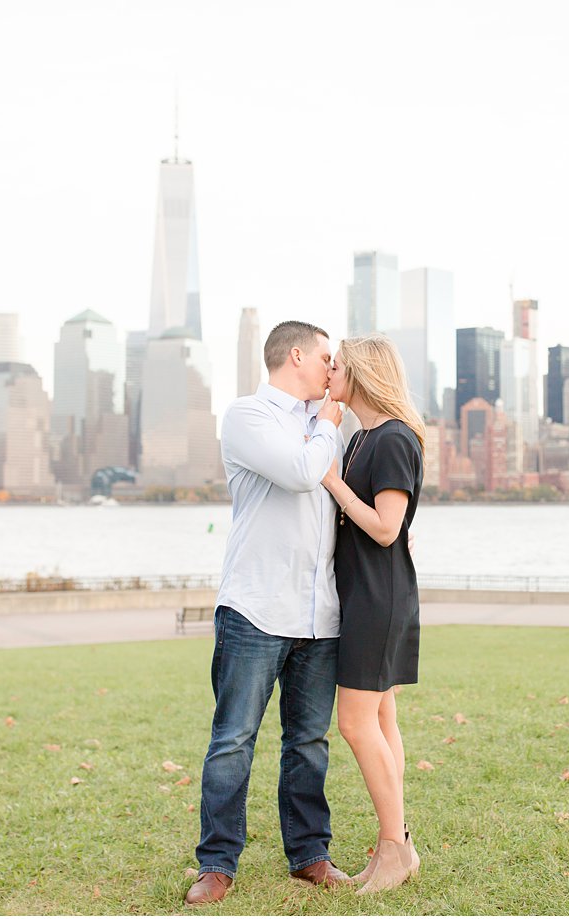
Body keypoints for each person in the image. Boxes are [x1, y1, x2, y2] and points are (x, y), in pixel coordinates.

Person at [184, 320, 353, 907]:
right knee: (233, 740)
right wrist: (329, 424)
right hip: (255, 608)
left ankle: (310, 855)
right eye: (326, 357)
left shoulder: (324, 424)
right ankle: (216, 863)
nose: (333, 369)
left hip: (318, 615)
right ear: (298, 356)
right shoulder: (248, 417)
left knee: (309, 741)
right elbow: (302, 473)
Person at [318, 333, 426, 894]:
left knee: (357, 723)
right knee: (381, 720)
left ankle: (394, 849)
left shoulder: (393, 439)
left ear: (360, 372)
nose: (328, 371)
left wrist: (333, 483)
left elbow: (387, 528)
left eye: (336, 364)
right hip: (369, 594)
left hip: (377, 599)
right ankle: (396, 842)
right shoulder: (363, 437)